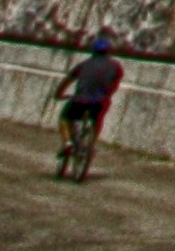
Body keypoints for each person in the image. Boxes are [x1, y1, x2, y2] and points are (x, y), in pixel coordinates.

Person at [53, 30, 126, 176]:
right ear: (108, 52)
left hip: (80, 100)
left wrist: (58, 94)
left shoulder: (84, 65)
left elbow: (67, 80)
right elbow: (115, 84)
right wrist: (107, 95)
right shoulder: (116, 66)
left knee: (65, 118)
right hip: (100, 101)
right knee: (97, 119)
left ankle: (68, 143)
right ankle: (91, 141)